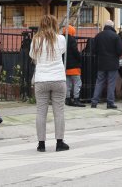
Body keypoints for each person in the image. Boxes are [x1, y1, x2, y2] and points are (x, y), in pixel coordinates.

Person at [30, 14, 69, 152]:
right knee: (59, 112)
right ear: (54, 24)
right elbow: (63, 52)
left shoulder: (36, 40)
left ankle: (41, 145)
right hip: (58, 78)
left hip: (41, 80)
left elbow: (32, 56)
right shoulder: (61, 39)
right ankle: (59, 143)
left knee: (41, 112)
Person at [91, 20, 122, 109]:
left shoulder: (98, 36)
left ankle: (94, 102)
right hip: (112, 63)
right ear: (112, 26)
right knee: (111, 83)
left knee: (99, 82)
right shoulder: (115, 36)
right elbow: (120, 51)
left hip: (101, 63)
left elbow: (93, 50)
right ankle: (110, 103)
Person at [64, 25, 85, 107]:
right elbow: (75, 52)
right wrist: (80, 58)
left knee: (67, 84)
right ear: (71, 31)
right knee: (77, 83)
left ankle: (68, 99)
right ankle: (76, 99)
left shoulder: (62, 39)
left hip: (65, 67)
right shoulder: (72, 40)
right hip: (74, 67)